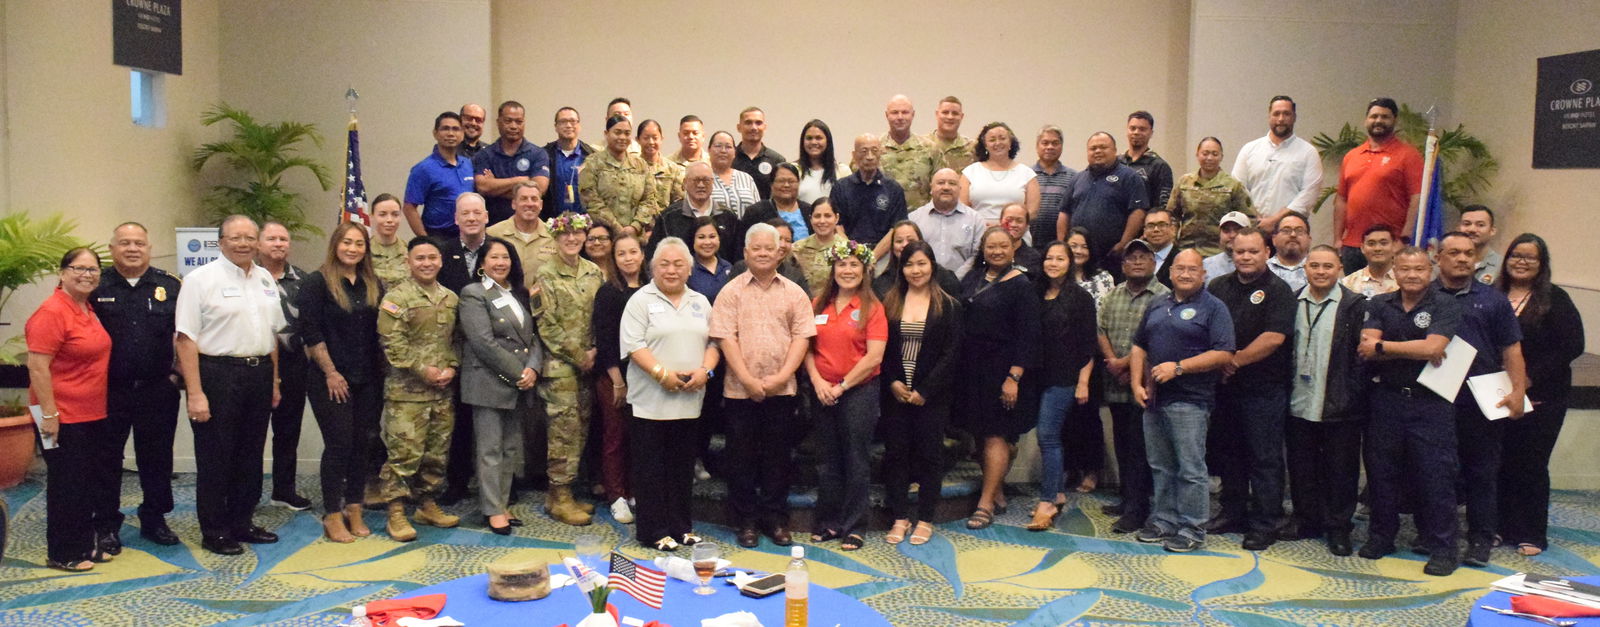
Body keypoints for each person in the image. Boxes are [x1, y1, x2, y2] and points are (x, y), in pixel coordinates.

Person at [174, 216, 288, 555]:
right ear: (220, 241)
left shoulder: (265, 277)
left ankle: (242, 521)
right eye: (235, 237)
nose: (243, 243)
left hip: (259, 374)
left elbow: (272, 336)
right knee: (216, 456)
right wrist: (195, 393)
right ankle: (215, 530)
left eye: (249, 238)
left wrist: (275, 380)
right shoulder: (199, 280)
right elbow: (185, 339)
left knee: (251, 454)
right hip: (217, 375)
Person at [710, 223, 816, 548]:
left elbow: (803, 337)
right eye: (755, 248)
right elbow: (724, 337)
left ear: (779, 252)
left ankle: (775, 519)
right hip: (740, 390)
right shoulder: (731, 291)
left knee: (778, 458)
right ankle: (745, 522)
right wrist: (747, 379)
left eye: (768, 248)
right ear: (745, 253)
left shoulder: (794, 292)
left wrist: (782, 376)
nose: (762, 253)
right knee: (740, 458)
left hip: (781, 391)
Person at [1358, 246, 1462, 576]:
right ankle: (1381, 537)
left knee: (1435, 476)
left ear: (1429, 271)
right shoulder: (1379, 303)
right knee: (1381, 473)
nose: (1412, 275)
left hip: (1430, 401)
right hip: (1385, 400)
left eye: (1418, 269)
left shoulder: (1445, 303)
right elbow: (1366, 349)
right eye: (1405, 269)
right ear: (1395, 272)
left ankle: (1442, 547)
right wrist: (1409, 351)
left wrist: (1385, 347)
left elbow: (1434, 347)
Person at [1129, 249, 1236, 553]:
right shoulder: (1157, 303)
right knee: (1161, 465)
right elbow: (1139, 346)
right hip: (1154, 399)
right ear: (1171, 272)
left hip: (1191, 400)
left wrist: (1179, 368)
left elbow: (1224, 353)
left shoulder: (1214, 308)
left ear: (1203, 274)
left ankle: (1192, 528)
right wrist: (1137, 383)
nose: (1186, 274)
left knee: (1190, 468)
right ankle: (1164, 521)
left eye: (1192, 269)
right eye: (1180, 269)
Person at [1434, 231, 1528, 568]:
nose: (1462, 258)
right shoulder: (1425, 296)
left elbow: (1512, 349)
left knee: (1481, 472)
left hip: (1480, 398)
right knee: (1436, 471)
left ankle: (1480, 539)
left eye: (1468, 253)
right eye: (1454, 252)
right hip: (1434, 399)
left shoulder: (1493, 300)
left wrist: (1518, 391)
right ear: (1438, 257)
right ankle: (1434, 533)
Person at [621, 238, 721, 551]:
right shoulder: (640, 300)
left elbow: (714, 344)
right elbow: (634, 345)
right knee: (651, 469)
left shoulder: (700, 301)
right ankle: (653, 530)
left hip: (689, 399)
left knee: (682, 467)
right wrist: (662, 375)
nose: (672, 270)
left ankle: (681, 527)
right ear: (652, 267)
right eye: (664, 264)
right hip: (650, 402)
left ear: (689, 269)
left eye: (679, 264)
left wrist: (705, 372)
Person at [1204, 227, 1296, 550]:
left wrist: (1234, 361)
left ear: (1267, 252)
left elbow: (1274, 337)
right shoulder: (1217, 287)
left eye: (1252, 251)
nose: (1244, 257)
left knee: (1264, 458)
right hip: (1225, 389)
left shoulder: (1279, 290)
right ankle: (1232, 512)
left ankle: (1265, 522)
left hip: (1264, 390)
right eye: (1239, 251)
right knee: (1230, 455)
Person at [92, 224, 183, 548]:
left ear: (149, 247)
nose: (132, 248)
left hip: (156, 389)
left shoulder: (170, 285)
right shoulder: (95, 284)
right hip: (108, 390)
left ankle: (154, 519)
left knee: (157, 458)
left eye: (139, 243)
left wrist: (177, 376)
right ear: (111, 247)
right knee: (105, 459)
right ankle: (105, 524)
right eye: (125, 243)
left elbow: (185, 335)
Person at [1495, 233, 1584, 556]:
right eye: (1516, 255)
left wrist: (1527, 380)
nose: (1521, 261)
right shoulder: (1495, 294)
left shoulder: (1555, 298)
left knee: (1530, 464)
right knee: (1499, 461)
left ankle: (1531, 532)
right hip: (1496, 394)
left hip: (1543, 395)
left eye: (1529, 257)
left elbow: (1572, 346)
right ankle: (1499, 527)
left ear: (1541, 264)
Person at [298, 223, 385, 543]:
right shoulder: (316, 283)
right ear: (335, 244)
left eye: (359, 243)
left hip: (367, 378)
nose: (352, 248)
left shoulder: (373, 283)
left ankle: (354, 507)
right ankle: (332, 514)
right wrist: (331, 372)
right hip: (330, 379)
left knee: (363, 444)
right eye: (347, 242)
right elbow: (311, 333)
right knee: (339, 445)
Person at [28, 248, 114, 571]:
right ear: (62, 272)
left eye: (93, 270)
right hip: (58, 416)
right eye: (79, 268)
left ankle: (84, 545)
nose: (87, 275)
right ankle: (63, 553)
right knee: (66, 484)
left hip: (90, 412)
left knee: (86, 483)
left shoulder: (85, 308)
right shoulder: (51, 311)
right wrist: (49, 414)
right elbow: (37, 366)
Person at [1284, 246, 1368, 557]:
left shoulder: (1354, 305)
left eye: (1328, 266)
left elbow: (1362, 358)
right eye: (1314, 266)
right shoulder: (1292, 301)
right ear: (1305, 268)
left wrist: (1353, 394)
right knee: (1302, 466)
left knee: (1341, 469)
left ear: (1339, 269)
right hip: (1298, 399)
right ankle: (1305, 519)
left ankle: (1338, 527)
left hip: (1339, 403)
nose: (1321, 272)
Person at [376, 237, 461, 542]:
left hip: (442, 391)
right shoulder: (396, 298)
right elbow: (391, 344)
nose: (426, 263)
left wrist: (452, 366)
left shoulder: (451, 297)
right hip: (406, 393)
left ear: (440, 260)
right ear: (408, 262)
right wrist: (422, 369)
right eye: (420, 258)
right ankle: (396, 511)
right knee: (403, 454)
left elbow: (457, 341)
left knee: (436, 454)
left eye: (432, 257)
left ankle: (427, 504)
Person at [804, 240, 887, 551]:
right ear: (833, 269)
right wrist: (817, 382)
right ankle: (827, 522)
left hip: (858, 391)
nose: (848, 270)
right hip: (822, 390)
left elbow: (874, 357)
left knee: (855, 459)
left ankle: (854, 526)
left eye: (854, 265)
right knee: (827, 460)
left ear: (864, 270)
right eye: (842, 265)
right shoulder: (817, 305)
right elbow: (807, 350)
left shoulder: (872, 308)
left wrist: (841, 387)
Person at [957, 227, 1041, 530]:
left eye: (1002, 246)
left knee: (995, 434)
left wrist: (1014, 377)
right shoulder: (972, 278)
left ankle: (985, 503)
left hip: (1004, 370)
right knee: (980, 434)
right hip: (973, 369)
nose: (996, 251)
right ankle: (998, 490)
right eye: (990, 246)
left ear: (1013, 249)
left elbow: (1029, 336)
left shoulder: (1021, 285)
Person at [880, 242, 963, 546]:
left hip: (933, 397)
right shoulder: (889, 302)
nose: (916, 271)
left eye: (921, 264)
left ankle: (926, 518)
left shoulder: (949, 305)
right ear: (901, 269)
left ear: (932, 266)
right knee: (896, 455)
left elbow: (951, 354)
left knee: (930, 456)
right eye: (909, 265)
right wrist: (892, 383)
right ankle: (900, 517)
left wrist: (925, 390)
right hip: (896, 395)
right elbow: (881, 350)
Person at [457, 237, 541, 535]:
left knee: (509, 449)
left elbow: (533, 338)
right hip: (488, 382)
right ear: (482, 263)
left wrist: (533, 368)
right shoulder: (473, 293)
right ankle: (491, 510)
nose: (500, 263)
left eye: (505, 257)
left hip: (518, 383)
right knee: (489, 449)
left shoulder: (518, 294)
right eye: (494, 257)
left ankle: (502, 504)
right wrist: (520, 372)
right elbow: (483, 343)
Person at [536, 213, 606, 525]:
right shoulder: (545, 276)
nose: (572, 240)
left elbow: (601, 317)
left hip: (588, 365)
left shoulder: (593, 272)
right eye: (565, 235)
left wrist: (595, 352)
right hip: (561, 367)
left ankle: (562, 493)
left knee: (580, 428)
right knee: (562, 432)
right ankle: (560, 495)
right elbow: (546, 326)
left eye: (577, 235)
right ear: (556, 238)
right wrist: (579, 355)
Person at [1096, 240, 1170, 533]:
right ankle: (1128, 498)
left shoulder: (1164, 296)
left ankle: (1138, 510)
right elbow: (1100, 329)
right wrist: (1113, 361)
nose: (1137, 262)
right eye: (1131, 258)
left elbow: (1157, 339)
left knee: (1142, 450)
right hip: (1115, 383)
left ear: (1154, 263)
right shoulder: (1112, 295)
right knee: (1123, 446)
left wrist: (1128, 364)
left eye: (1144, 257)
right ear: (1123, 265)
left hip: (1147, 386)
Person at [1027, 241, 1098, 531]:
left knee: (1048, 435)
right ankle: (1056, 492)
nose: (1053, 263)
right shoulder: (1034, 293)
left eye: (1060, 258)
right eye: (1049, 258)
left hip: (1065, 378)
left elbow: (1088, 345)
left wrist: (1083, 382)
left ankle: (1047, 503)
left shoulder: (1080, 298)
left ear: (1070, 263)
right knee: (1048, 436)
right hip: (1037, 377)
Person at [436, 194, 490, 505]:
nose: (471, 218)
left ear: (485, 217)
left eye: (476, 212)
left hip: (490, 350)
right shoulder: (443, 253)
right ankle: (455, 481)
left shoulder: (497, 252)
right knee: (457, 421)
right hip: (453, 348)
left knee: (489, 422)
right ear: (456, 219)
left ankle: (493, 485)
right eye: (464, 213)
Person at [592, 234, 647, 524]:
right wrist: (616, 380)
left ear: (642, 255)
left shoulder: (653, 288)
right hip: (615, 375)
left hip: (646, 375)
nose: (628, 258)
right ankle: (616, 496)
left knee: (639, 436)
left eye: (633, 252)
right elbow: (606, 339)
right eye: (621, 253)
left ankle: (635, 489)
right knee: (615, 436)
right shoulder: (609, 292)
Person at [257, 222, 312, 511]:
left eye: (283, 239)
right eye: (272, 238)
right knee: (251, 433)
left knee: (288, 431)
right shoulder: (247, 277)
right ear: (258, 243)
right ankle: (247, 492)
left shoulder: (303, 280)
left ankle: (284, 490)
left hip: (293, 364)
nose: (278, 244)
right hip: (254, 364)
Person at [1333, 98, 1423, 272]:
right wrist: (1338, 239)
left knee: (1388, 296)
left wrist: (1404, 239)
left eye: (1385, 117)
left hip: (1389, 246)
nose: (1378, 121)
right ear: (1366, 120)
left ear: (1394, 120)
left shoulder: (1408, 155)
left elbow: (1416, 198)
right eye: (1374, 116)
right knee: (1353, 296)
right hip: (1353, 245)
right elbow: (1341, 200)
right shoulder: (1352, 156)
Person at [1056, 132, 1149, 273]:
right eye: (1093, 148)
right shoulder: (1077, 179)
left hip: (1112, 255)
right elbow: (1064, 212)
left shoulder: (1129, 177)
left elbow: (1138, 212)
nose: (1097, 151)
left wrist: (1123, 243)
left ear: (1115, 151)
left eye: (1103, 147)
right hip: (1078, 254)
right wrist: (1062, 244)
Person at [1231, 96, 1323, 232]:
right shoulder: (1250, 149)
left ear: (1294, 117)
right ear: (1269, 116)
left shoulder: (1308, 152)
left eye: (1286, 114)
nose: (1281, 119)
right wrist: (1255, 218)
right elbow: (1238, 186)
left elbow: (1308, 194)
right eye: (1276, 114)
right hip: (1252, 228)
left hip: (1290, 231)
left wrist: (1275, 220)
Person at [579, 115, 662, 238]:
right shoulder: (592, 163)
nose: (622, 137)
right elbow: (591, 201)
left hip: (636, 237)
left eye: (627, 133)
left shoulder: (641, 165)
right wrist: (616, 228)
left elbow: (649, 200)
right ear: (606, 134)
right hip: (603, 237)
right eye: (617, 133)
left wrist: (635, 227)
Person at [473, 101, 552, 225]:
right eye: (508, 121)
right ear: (498, 122)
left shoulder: (538, 153)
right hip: (493, 226)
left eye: (519, 122)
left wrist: (495, 187)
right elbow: (483, 187)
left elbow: (540, 189)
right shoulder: (484, 155)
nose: (514, 126)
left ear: (524, 123)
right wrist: (521, 180)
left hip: (529, 227)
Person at [1171, 137, 1254, 254]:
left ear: (1221, 157)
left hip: (1219, 252)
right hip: (1186, 249)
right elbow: (1172, 216)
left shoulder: (1233, 185)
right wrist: (1172, 241)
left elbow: (1249, 219)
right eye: (1205, 153)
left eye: (1215, 154)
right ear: (1197, 155)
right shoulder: (1184, 182)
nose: (1209, 158)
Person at [649, 162, 743, 262]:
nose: (701, 185)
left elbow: (737, 256)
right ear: (685, 183)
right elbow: (653, 256)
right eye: (696, 180)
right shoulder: (668, 217)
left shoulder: (728, 216)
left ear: (713, 182)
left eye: (706, 180)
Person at [404, 112, 476, 239]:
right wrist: (426, 240)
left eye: (455, 129)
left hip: (467, 235)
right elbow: (409, 208)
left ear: (462, 134)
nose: (450, 133)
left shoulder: (468, 164)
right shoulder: (423, 169)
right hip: (438, 236)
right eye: (445, 128)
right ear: (435, 133)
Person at [831, 133, 909, 247]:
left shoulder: (894, 189)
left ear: (881, 153)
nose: (870, 156)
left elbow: (896, 229)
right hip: (849, 254)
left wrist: (873, 257)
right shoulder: (841, 187)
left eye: (874, 151)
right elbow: (836, 225)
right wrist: (855, 253)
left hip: (884, 255)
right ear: (854, 155)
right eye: (864, 151)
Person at [960, 122, 1040, 225]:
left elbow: (1032, 212)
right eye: (992, 140)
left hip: (1016, 233)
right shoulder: (970, 172)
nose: (997, 143)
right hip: (978, 231)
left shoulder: (1027, 174)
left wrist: (1009, 225)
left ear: (1011, 142)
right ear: (985, 145)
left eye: (1002, 138)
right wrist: (982, 226)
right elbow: (963, 208)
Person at [907, 168, 984, 274]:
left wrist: (954, 280)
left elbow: (977, 255)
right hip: (922, 284)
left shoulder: (975, 220)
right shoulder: (914, 219)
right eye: (940, 183)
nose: (946, 187)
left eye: (952, 183)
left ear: (960, 189)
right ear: (931, 188)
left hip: (963, 285)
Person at [486, 181, 559, 287]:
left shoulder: (555, 235)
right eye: (523, 199)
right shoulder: (493, 233)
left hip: (543, 301)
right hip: (504, 300)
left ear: (541, 205)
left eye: (534, 199)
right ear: (514, 204)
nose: (529, 204)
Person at [873, 220, 962, 298]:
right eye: (899, 241)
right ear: (892, 246)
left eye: (911, 240)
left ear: (921, 242)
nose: (905, 245)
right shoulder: (882, 284)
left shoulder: (944, 278)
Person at [730, 219, 813, 298]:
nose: (783, 245)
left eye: (788, 240)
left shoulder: (795, 274)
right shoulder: (741, 268)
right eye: (778, 239)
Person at [880, 95, 937, 209]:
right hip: (882, 220)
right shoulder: (874, 149)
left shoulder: (930, 149)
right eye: (895, 112)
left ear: (913, 114)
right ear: (887, 115)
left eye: (905, 112)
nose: (900, 117)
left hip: (920, 221)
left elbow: (938, 188)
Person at [543, 107, 599, 218]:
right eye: (563, 121)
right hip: (551, 221)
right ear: (556, 127)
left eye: (573, 121)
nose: (568, 125)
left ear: (579, 125)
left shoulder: (592, 155)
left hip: (587, 222)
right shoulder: (544, 155)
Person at [1030, 125, 1078, 251]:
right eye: (1045, 143)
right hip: (1030, 242)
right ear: (1037, 146)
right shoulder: (1026, 175)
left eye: (1055, 143)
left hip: (1062, 244)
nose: (1049, 147)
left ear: (1061, 146)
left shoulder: (1074, 177)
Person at [1118, 111, 1175, 210]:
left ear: (1151, 133)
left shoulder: (1159, 166)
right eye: (1132, 128)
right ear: (1127, 131)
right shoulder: (1116, 163)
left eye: (1142, 129)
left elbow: (1162, 206)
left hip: (1144, 222)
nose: (1136, 132)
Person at [743, 162, 813, 241]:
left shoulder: (810, 210)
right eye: (781, 181)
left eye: (791, 181)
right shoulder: (755, 212)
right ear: (771, 184)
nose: (786, 185)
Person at [792, 199, 849, 294]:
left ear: (837, 218)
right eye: (817, 216)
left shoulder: (848, 249)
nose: (822, 221)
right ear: (810, 219)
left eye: (828, 216)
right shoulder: (797, 249)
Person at [733, 107, 786, 199]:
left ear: (764, 127)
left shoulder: (777, 160)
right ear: (739, 127)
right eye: (748, 123)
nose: (754, 127)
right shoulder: (730, 158)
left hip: (768, 213)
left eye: (758, 123)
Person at [794, 119, 848, 205]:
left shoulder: (842, 171)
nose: (814, 142)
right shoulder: (793, 169)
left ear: (828, 141)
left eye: (818, 138)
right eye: (809, 138)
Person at [1339, 223, 1400, 297]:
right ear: (1362, 248)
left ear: (1394, 246)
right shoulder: (1348, 284)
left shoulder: (1406, 280)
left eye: (1383, 243)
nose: (1377, 248)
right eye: (1371, 244)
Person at [708, 131, 760, 217]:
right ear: (709, 150)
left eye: (728, 147)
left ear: (734, 152)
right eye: (718, 146)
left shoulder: (746, 178)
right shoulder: (702, 179)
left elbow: (758, 211)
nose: (723, 151)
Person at [638, 119, 685, 207]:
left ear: (661, 139)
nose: (651, 142)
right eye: (646, 138)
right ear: (638, 140)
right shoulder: (632, 167)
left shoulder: (672, 169)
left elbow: (678, 201)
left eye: (655, 138)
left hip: (665, 218)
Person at [687, 217, 733, 303]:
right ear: (692, 240)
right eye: (701, 237)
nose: (707, 242)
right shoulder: (687, 269)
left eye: (712, 237)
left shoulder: (728, 267)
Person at [1067, 228, 1116, 309]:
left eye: (1084, 247)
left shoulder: (1104, 278)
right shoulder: (1057, 279)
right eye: (1073, 246)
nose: (1079, 251)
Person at [369, 194, 411, 287]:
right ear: (372, 217)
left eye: (395, 215)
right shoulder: (363, 252)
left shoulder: (409, 251)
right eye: (382, 214)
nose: (389, 220)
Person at [926, 96, 975, 173]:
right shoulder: (922, 145)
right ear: (937, 114)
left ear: (961, 117)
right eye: (945, 112)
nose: (950, 117)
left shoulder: (972, 148)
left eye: (955, 113)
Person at [995, 203, 1043, 277]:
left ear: (1027, 226)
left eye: (1019, 221)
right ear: (1000, 221)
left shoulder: (1035, 258)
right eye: (1009, 220)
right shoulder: (988, 253)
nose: (1013, 225)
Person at [1458, 205, 1502, 284]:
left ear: (1492, 230)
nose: (1472, 230)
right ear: (1459, 228)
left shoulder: (1502, 266)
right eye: (1467, 224)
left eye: (1480, 225)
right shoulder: (1447, 263)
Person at [1268, 211, 1310, 292]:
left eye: (1299, 231)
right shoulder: (1261, 271)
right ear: (1274, 239)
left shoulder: (1320, 270)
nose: (1293, 235)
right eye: (1286, 230)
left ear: (1309, 239)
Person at [1203, 211, 1250, 280]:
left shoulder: (1261, 264)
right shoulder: (1207, 265)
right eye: (1226, 230)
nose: (1232, 235)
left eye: (1238, 230)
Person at [1142, 208, 1178, 288]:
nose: (1156, 229)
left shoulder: (1182, 260)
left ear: (1173, 229)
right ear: (1144, 232)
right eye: (1150, 226)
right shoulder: (1134, 260)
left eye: (1162, 225)